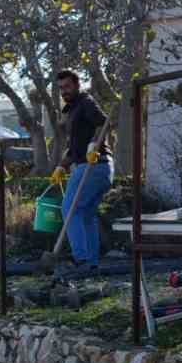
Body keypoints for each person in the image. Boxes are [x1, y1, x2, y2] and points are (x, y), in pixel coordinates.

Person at [49, 69, 113, 270]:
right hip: (101, 168)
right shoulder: (73, 109)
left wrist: (94, 145)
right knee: (85, 215)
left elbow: (103, 123)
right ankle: (91, 264)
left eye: (67, 86)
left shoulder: (86, 102)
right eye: (60, 88)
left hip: (94, 165)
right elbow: (75, 147)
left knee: (70, 209)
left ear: (77, 85)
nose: (64, 91)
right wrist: (61, 166)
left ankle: (81, 259)